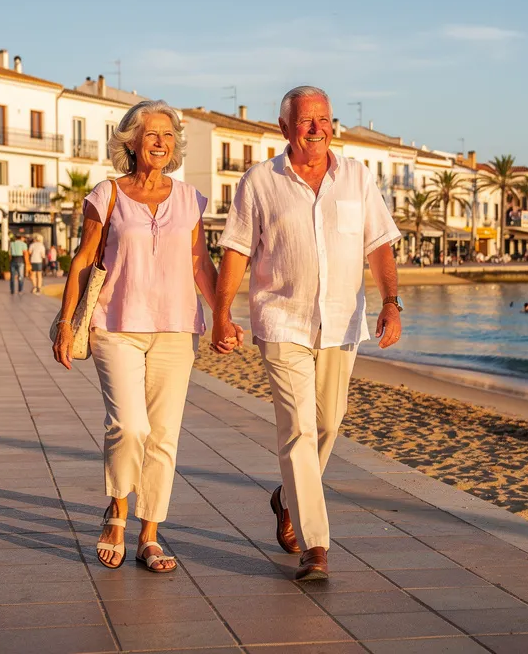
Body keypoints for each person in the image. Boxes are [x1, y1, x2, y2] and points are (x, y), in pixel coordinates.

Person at [214, 86, 403, 582]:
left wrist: (390, 302)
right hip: (281, 320)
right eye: (306, 120)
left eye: (323, 119)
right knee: (297, 428)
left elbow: (380, 245)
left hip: (341, 322)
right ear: (285, 129)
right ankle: (315, 545)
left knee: (329, 423)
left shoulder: (358, 178)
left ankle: (285, 496)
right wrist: (221, 313)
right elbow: (235, 250)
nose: (317, 127)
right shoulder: (259, 181)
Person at [53, 100, 219, 575]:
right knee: (130, 426)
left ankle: (149, 532)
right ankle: (117, 513)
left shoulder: (189, 199)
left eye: (168, 135)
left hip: (176, 327)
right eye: (151, 135)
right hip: (115, 325)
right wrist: (66, 321)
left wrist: (222, 315)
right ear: (131, 142)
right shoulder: (107, 194)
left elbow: (199, 264)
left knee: (164, 435)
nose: (161, 143)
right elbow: (84, 259)